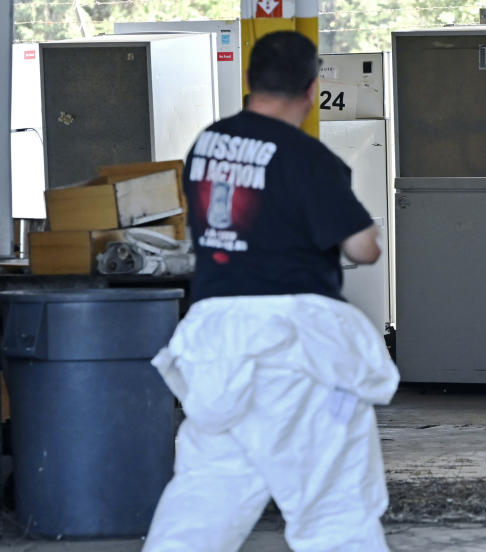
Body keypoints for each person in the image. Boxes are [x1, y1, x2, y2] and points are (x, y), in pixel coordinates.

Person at [143, 31, 399, 552]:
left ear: (249, 80)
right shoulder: (306, 157)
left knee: (205, 495)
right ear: (310, 91)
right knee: (332, 503)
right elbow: (362, 247)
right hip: (295, 345)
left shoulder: (206, 145)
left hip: (214, 341)